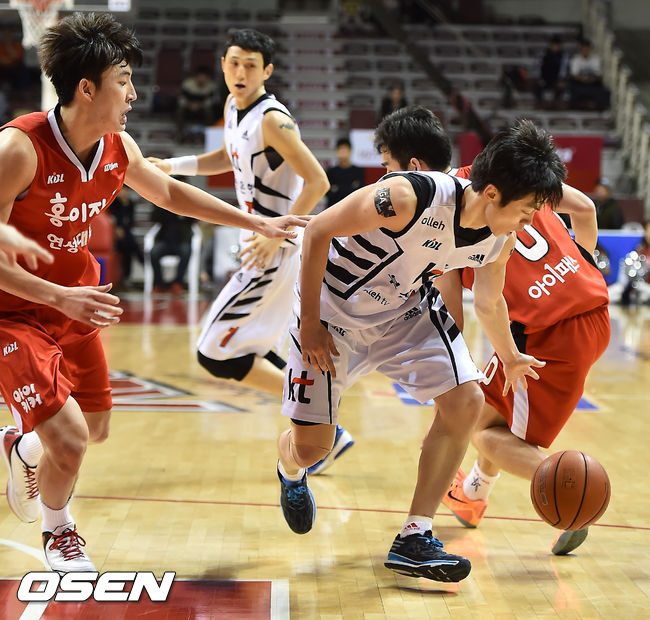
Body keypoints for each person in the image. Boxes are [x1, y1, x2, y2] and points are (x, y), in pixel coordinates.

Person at [0, 13, 308, 575]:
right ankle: (58, 531)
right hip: (14, 312)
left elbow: (169, 193)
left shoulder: (118, 146)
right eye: (123, 81)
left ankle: (21, 447)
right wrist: (58, 297)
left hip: (76, 304)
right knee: (70, 440)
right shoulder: (18, 150)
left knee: (96, 427)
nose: (134, 94)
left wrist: (256, 221)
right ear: (87, 88)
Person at [275, 117, 567, 584]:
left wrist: (510, 356)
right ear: (492, 193)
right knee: (311, 449)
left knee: (467, 401)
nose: (530, 222)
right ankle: (289, 471)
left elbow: (490, 302)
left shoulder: (500, 238)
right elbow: (318, 232)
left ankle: (415, 536)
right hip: (330, 316)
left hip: (403, 313)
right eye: (527, 210)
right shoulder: (409, 196)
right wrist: (309, 322)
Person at [376, 106, 610, 556]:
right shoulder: (507, 173)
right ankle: (474, 492)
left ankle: (570, 491)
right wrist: (577, 267)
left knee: (480, 430)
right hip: (588, 307)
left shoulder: (445, 217)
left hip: (547, 332)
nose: (386, 178)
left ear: (415, 167)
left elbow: (458, 315)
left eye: (388, 167)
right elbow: (584, 208)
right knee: (490, 413)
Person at [149, 28, 355, 471]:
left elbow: (318, 180)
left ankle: (323, 422)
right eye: (234, 63)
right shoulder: (232, 105)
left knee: (214, 352)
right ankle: (323, 426)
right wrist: (173, 166)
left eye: (250, 65)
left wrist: (274, 234)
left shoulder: (272, 120)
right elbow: (229, 155)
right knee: (252, 349)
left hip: (275, 247)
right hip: (263, 240)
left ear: (267, 71)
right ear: (223, 65)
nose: (240, 72)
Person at [149, 199, 195, 294]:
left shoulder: (185, 202)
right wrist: (160, 204)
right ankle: (158, 283)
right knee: (154, 253)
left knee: (186, 251)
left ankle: (178, 282)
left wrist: (183, 210)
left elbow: (194, 219)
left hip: (182, 241)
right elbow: (153, 217)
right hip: (165, 242)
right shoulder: (164, 202)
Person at [109, 185, 143, 288]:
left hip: (126, 233)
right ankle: (143, 261)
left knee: (128, 248)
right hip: (114, 234)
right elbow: (113, 218)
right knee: (131, 246)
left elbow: (130, 221)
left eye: (126, 190)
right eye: (122, 190)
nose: (124, 192)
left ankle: (127, 277)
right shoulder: (114, 203)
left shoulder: (130, 203)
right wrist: (117, 228)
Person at [176, 65, 219, 141]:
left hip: (202, 107)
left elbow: (211, 100)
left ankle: (207, 134)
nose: (201, 79)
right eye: (200, 77)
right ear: (196, 77)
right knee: (180, 108)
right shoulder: (188, 84)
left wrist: (199, 105)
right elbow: (181, 98)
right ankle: (180, 133)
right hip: (188, 106)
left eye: (204, 77)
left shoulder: (211, 86)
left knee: (209, 110)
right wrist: (189, 104)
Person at [568, 39, 609, 110]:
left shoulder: (596, 59)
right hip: (579, 83)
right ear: (580, 50)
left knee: (603, 91)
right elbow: (574, 75)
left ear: (590, 49)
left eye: (587, 49)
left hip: (592, 83)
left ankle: (600, 109)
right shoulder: (575, 59)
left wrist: (590, 79)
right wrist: (583, 78)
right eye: (583, 49)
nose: (585, 51)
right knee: (573, 88)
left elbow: (598, 75)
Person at [325, 137, 365, 208]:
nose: (343, 153)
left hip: (353, 208)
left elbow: (359, 193)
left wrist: (337, 188)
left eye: (345, 150)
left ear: (350, 151)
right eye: (340, 150)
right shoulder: (331, 171)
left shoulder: (358, 171)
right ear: (336, 151)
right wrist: (350, 188)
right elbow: (328, 193)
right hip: (333, 208)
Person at [533, 35, 568, 108]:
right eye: (553, 45)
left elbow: (563, 69)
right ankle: (540, 103)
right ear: (550, 45)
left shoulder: (563, 55)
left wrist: (561, 79)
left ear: (560, 46)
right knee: (536, 85)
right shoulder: (543, 54)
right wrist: (539, 78)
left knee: (562, 86)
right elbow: (538, 66)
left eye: (557, 46)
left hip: (556, 79)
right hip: (545, 78)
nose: (555, 47)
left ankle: (555, 103)